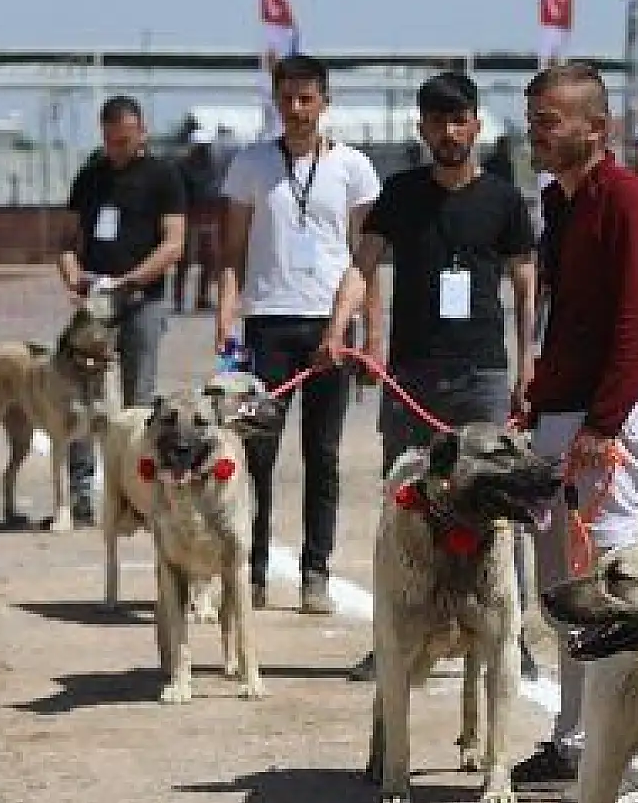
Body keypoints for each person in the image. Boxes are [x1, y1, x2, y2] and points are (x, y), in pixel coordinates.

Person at [316, 71, 541, 681]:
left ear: (475, 123)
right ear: (422, 129)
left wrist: (527, 367)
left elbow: (525, 287)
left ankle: (511, 640)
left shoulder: (502, 200)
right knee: (406, 503)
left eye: (459, 118)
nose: (449, 131)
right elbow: (362, 267)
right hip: (411, 377)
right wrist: (341, 329)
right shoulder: (401, 196)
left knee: (498, 506)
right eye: (437, 121)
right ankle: (394, 635)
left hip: (483, 375)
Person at [508, 62, 638, 803]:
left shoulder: (625, 199)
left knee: (609, 589)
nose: (536, 132)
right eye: (532, 118)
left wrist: (604, 426)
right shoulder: (558, 204)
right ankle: (574, 743)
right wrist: (534, 404)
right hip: (558, 416)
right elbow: (564, 323)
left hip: (604, 423)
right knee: (562, 591)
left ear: (593, 129)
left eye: (549, 121)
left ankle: (629, 762)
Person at [217, 54, 382, 614]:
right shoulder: (251, 166)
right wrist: (226, 313)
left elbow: (367, 258)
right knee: (257, 452)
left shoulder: (355, 170)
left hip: (331, 327)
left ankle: (316, 571)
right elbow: (232, 251)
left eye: (306, 99)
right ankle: (254, 570)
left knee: (324, 454)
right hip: (267, 323)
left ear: (324, 102)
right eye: (286, 98)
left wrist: (370, 333)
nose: (295, 109)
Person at [59, 95, 187, 525]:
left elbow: (173, 244)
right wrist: (75, 276)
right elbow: (67, 241)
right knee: (83, 396)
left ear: (142, 134)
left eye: (126, 141)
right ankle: (81, 489)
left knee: (138, 400)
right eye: (112, 141)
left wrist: (133, 280)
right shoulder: (91, 177)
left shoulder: (162, 177)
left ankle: (139, 490)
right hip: (97, 304)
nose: (119, 149)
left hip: (141, 299)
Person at [175, 128, 223, 312]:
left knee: (209, 258)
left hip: (210, 215)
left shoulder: (213, 166)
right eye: (200, 147)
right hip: (189, 216)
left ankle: (202, 298)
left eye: (205, 147)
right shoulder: (182, 167)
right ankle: (178, 299)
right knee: (185, 259)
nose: (203, 151)